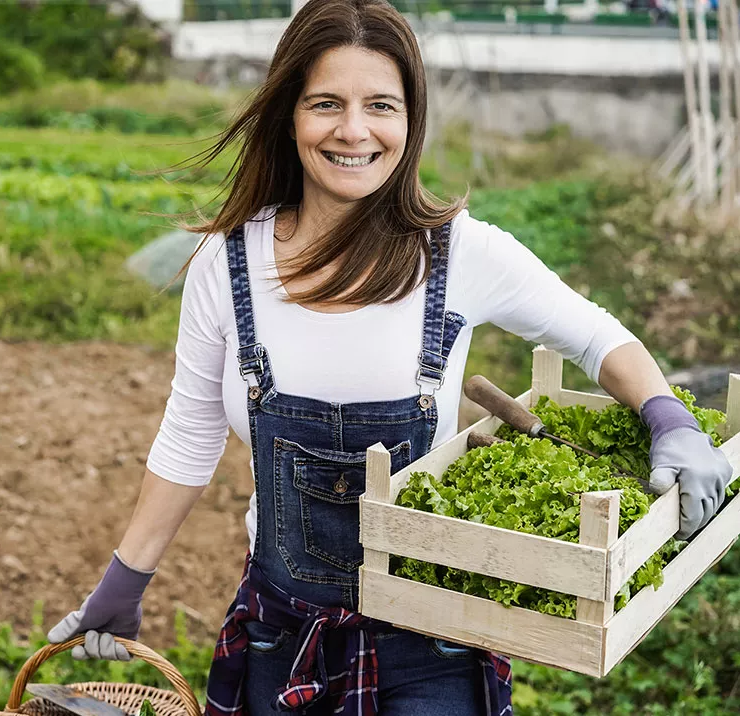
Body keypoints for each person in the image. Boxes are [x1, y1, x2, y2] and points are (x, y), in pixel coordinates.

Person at [46, 0, 735, 713]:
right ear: (290, 114)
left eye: (381, 104)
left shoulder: (459, 253)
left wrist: (667, 417)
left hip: (431, 647)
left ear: (410, 121)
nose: (354, 130)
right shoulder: (228, 264)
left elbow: (597, 337)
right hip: (280, 637)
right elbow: (189, 437)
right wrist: (124, 583)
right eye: (326, 104)